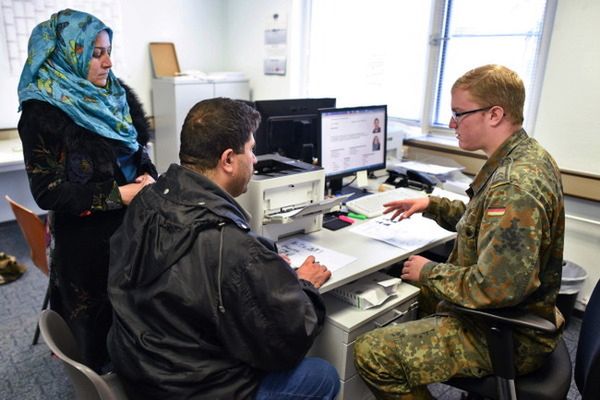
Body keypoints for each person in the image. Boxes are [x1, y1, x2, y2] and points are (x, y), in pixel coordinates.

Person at [354, 64, 565, 399]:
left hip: (507, 334)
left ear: (495, 114)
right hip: (508, 313)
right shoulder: (525, 155)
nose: (452, 124)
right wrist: (431, 203)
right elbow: (485, 225)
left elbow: (495, 289)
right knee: (407, 298)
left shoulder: (514, 185)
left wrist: (429, 271)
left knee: (372, 352)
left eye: (458, 114)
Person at [107, 97, 340, 400]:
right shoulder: (232, 246)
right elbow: (287, 343)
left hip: (141, 368)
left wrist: (259, 268)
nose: (255, 159)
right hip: (193, 390)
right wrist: (304, 284)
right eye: (252, 149)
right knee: (324, 375)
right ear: (228, 159)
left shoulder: (147, 199)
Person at [17, 9, 157, 371]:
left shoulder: (115, 95)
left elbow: (138, 150)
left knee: (142, 323)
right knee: (99, 332)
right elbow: (47, 192)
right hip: (88, 243)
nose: (108, 62)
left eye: (108, 50)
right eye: (96, 54)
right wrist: (118, 195)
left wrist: (147, 176)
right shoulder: (41, 112)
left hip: (135, 229)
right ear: (69, 53)